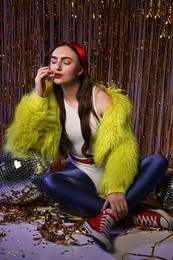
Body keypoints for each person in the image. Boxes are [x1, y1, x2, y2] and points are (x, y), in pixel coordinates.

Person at [5, 41, 173, 250]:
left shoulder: (102, 98)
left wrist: (116, 188)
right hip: (83, 172)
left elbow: (122, 147)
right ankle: (129, 215)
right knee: (50, 182)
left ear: (80, 69)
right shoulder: (48, 98)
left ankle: (107, 215)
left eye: (66, 62)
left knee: (158, 161)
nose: (57, 67)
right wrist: (37, 96)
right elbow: (21, 142)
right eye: (53, 61)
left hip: (116, 168)